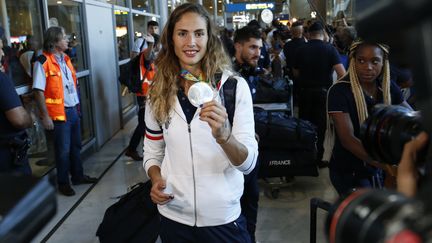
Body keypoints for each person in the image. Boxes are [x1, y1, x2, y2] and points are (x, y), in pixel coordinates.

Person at [144, 3, 258, 242]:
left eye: (198, 33)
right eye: (182, 33)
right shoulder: (158, 91)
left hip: (223, 220)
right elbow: (152, 151)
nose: (191, 42)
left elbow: (247, 165)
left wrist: (225, 136)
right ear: (171, 39)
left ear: (209, 39)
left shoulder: (233, 88)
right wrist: (156, 179)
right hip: (173, 217)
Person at [323, 40, 412, 196]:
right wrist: (388, 166)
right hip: (350, 171)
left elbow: (411, 117)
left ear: (383, 62)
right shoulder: (339, 91)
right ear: (353, 61)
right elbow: (348, 140)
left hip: (379, 167)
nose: (368, 67)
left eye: (375, 61)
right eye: (361, 60)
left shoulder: (387, 87)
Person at [33, 26, 97, 196]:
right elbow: (38, 90)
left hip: (73, 111)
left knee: (76, 146)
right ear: (54, 42)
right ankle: (63, 183)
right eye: (63, 37)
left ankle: (78, 176)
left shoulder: (66, 59)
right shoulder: (43, 62)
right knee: (62, 151)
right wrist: (45, 116)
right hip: (58, 114)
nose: (67, 40)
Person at [293, 21, 346, 167]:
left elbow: (296, 72)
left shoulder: (301, 49)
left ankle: (304, 157)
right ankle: (319, 158)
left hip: (304, 93)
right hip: (323, 94)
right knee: (322, 126)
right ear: (323, 34)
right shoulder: (330, 49)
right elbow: (342, 74)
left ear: (308, 34)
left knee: (304, 124)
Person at [233, 25, 263, 242]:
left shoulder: (251, 74)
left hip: (250, 150)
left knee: (251, 202)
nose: (257, 53)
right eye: (252, 47)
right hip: (231, 154)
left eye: (259, 48)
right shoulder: (227, 78)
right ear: (238, 47)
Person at [124, 22, 157, 161]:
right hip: (144, 92)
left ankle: (141, 147)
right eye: (152, 28)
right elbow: (145, 57)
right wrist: (150, 44)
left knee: (147, 121)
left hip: (151, 91)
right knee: (144, 122)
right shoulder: (144, 49)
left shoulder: (153, 53)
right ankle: (133, 148)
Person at [0, 71, 32, 175]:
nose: (3, 53)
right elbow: (20, 120)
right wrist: (31, 118)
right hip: (8, 155)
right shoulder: (1, 79)